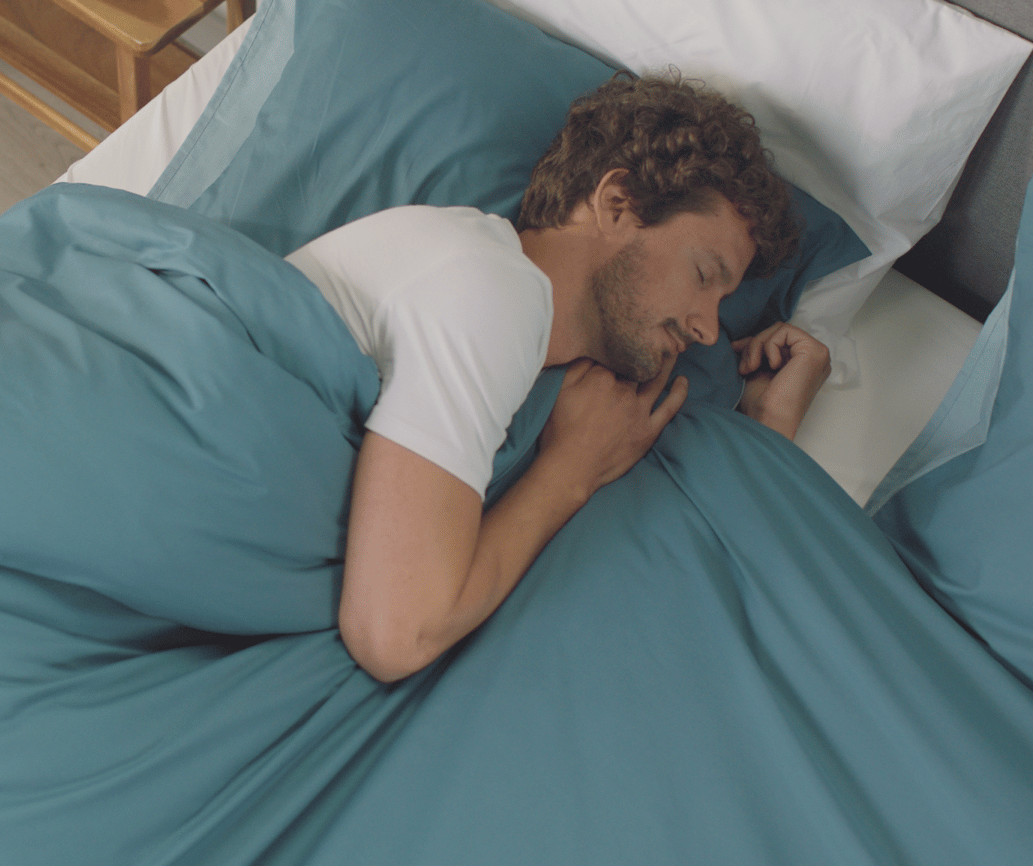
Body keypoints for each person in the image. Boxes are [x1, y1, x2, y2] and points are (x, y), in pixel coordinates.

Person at [285, 73, 832, 683]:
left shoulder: (552, 376)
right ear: (617, 204)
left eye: (725, 302)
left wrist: (767, 428)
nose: (709, 330)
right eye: (705, 274)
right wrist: (570, 473)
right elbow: (395, 634)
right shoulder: (491, 288)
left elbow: (683, 595)